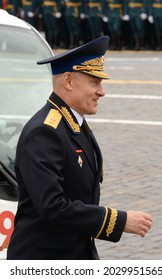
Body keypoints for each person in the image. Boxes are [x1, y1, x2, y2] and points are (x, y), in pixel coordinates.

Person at [7, 36, 152, 260]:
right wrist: (118, 220)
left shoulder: (72, 124)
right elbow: (52, 206)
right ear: (68, 81)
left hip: (74, 252)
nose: (101, 91)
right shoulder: (44, 132)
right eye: (94, 82)